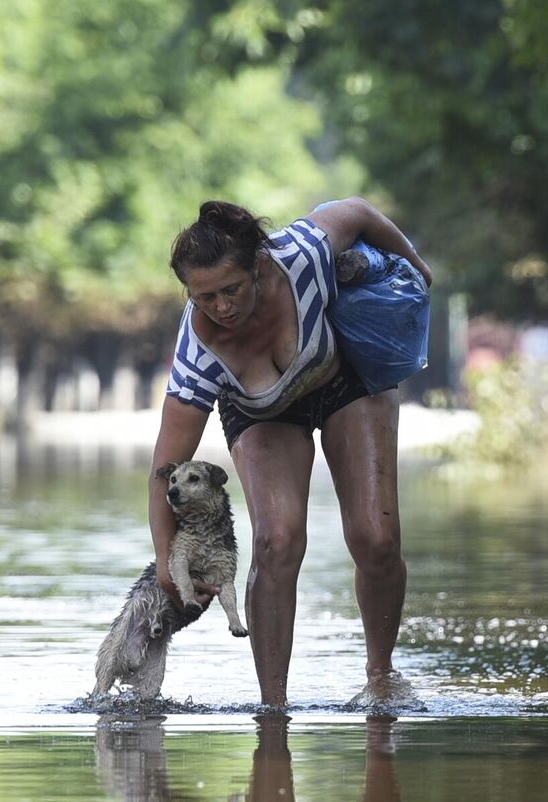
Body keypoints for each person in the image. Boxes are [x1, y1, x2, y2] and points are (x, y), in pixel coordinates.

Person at [152, 198, 432, 711]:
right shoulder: (199, 353)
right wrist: (168, 565)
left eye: (231, 289)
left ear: (258, 267)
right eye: (205, 297)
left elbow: (360, 212)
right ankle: (273, 710)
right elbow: (163, 472)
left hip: (343, 379)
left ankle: (381, 677)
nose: (222, 307)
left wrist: (416, 265)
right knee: (277, 542)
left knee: (376, 537)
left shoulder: (302, 253)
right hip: (260, 412)